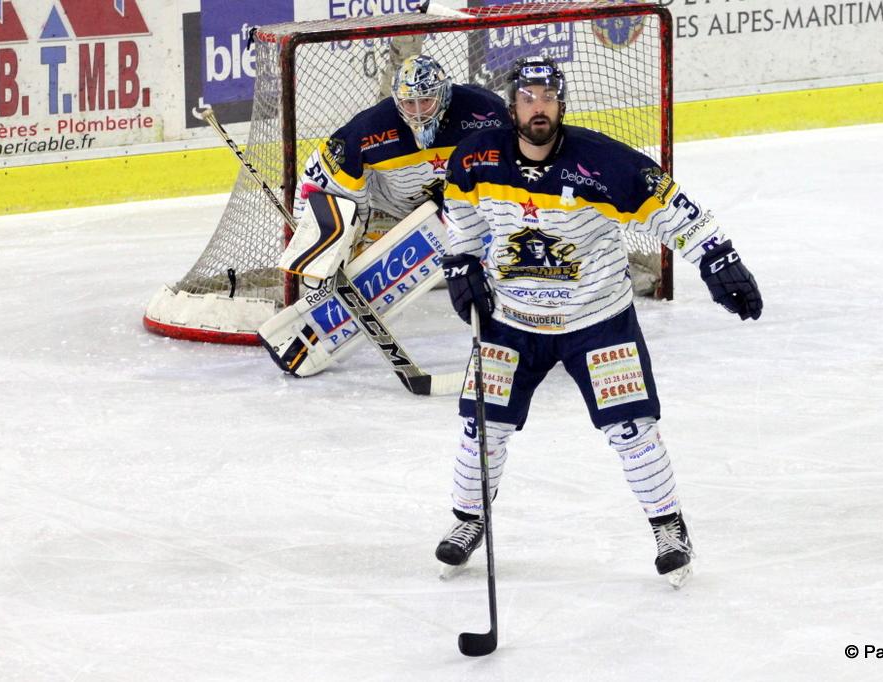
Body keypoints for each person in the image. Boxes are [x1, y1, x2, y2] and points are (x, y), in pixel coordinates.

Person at [434, 57, 763, 587]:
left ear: (562, 104)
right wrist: (461, 261)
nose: (538, 108)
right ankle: (469, 521)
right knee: (482, 425)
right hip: (510, 318)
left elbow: (675, 211)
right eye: (527, 98)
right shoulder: (476, 158)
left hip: (596, 320)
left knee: (631, 429)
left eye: (547, 98)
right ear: (511, 106)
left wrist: (717, 259)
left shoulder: (604, 163)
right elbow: (462, 215)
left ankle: (669, 530)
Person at [292, 54, 511, 252]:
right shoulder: (374, 125)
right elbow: (324, 174)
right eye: (409, 103)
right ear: (398, 100)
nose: (418, 113)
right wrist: (313, 233)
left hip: (463, 210)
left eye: (425, 100)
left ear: (444, 94)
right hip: (391, 212)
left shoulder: (486, 110)